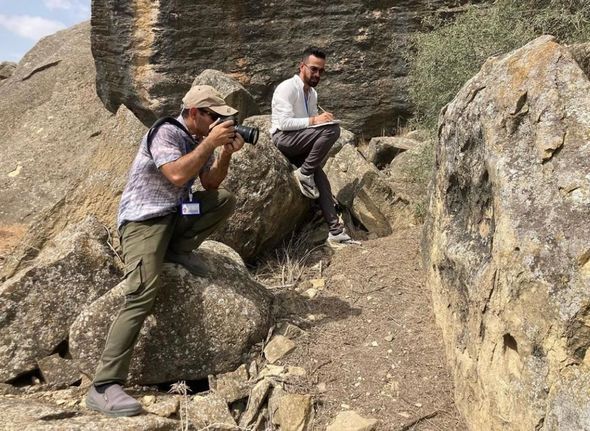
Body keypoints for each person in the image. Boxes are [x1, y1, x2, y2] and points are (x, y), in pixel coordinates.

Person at [85, 85, 244, 417]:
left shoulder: (197, 140)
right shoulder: (166, 132)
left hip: (172, 219)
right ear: (195, 113)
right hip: (144, 221)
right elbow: (175, 174)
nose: (218, 123)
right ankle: (103, 386)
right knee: (143, 292)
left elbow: (211, 183)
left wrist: (225, 152)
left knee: (224, 200)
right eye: (214, 117)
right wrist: (210, 143)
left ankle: (175, 251)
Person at [270, 47, 352, 244]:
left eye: (321, 71)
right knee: (333, 130)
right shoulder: (287, 88)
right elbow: (283, 124)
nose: (317, 74)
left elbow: (313, 122)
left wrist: (322, 120)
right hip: (284, 139)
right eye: (314, 69)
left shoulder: (312, 93)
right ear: (302, 66)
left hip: (300, 141)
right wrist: (316, 121)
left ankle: (335, 231)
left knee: (322, 179)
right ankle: (304, 173)